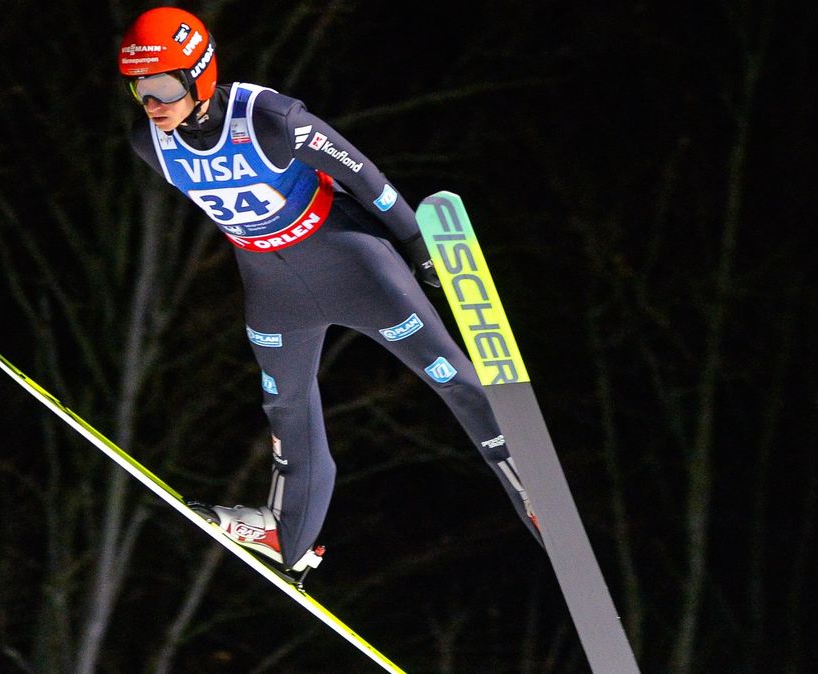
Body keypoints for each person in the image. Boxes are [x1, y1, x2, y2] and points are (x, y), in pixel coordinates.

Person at [118, 7, 542, 574]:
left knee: (448, 375)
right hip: (272, 286)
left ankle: (532, 488)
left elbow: (363, 176)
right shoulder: (151, 144)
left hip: (349, 260)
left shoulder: (268, 117)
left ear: (201, 72)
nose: (154, 103)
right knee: (283, 404)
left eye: (165, 85)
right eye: (141, 89)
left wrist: (417, 244)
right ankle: (287, 536)